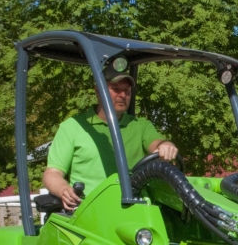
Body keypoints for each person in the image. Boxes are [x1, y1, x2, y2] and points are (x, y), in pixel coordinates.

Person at [42, 63, 179, 211]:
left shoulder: (141, 125)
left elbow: (157, 144)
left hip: (135, 209)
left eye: (127, 90)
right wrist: (64, 190)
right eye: (116, 89)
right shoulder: (73, 126)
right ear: (98, 91)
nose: (122, 95)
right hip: (89, 211)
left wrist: (166, 146)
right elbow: (52, 173)